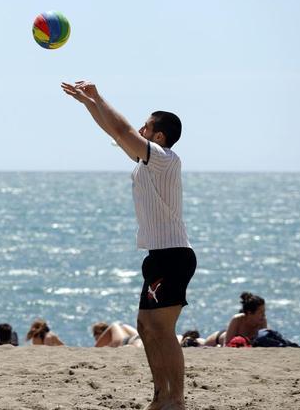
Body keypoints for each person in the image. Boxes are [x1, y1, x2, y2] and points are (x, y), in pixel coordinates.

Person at [63, 81, 196, 410]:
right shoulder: (147, 162)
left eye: (147, 126)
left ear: (159, 136)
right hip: (157, 256)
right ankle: (160, 396)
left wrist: (98, 96)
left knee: (162, 329)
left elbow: (122, 130)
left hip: (173, 256)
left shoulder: (165, 158)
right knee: (144, 327)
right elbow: (116, 132)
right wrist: (88, 105)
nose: (140, 129)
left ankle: (175, 400)